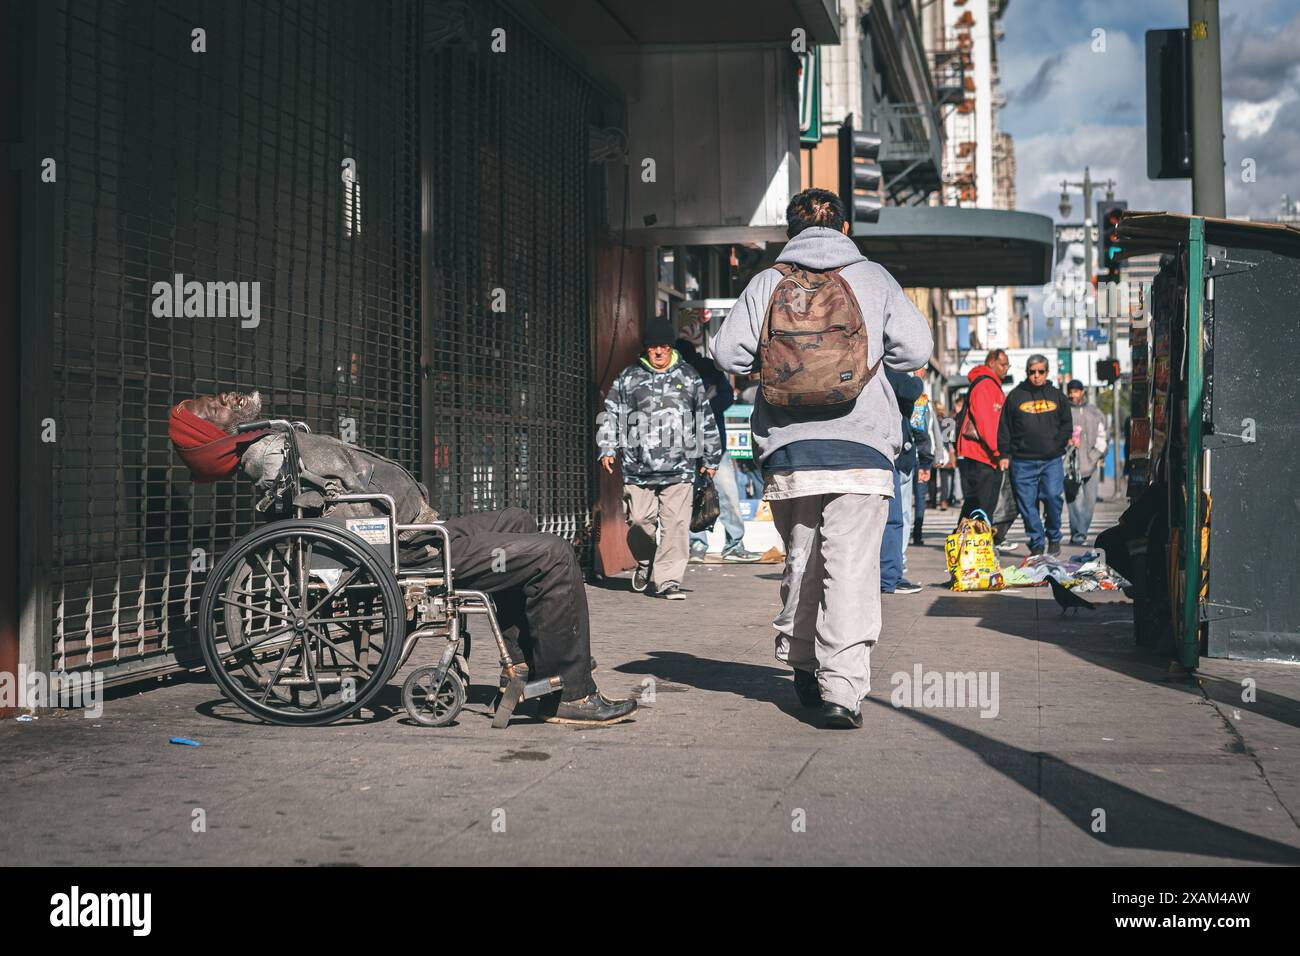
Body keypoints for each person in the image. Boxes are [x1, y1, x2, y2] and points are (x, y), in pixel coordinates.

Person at [169, 390, 637, 725]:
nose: (227, 398)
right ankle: (571, 693)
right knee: (553, 554)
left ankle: (532, 674)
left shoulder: (278, 442)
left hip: (415, 533)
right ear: (214, 436)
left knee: (517, 520)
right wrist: (405, 530)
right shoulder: (276, 458)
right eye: (215, 407)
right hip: (404, 549)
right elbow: (347, 517)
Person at [711, 188, 932, 729]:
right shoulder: (873, 278)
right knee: (851, 569)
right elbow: (917, 350)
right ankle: (842, 690)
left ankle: (804, 665)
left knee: (803, 562)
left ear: (790, 230)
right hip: (862, 449)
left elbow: (727, 353)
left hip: (789, 450)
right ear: (845, 227)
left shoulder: (768, 281)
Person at [598, 317, 722, 600]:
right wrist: (606, 447)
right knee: (640, 521)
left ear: (671, 348)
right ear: (645, 348)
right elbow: (611, 413)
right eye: (653, 346)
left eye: (664, 346)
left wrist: (711, 457)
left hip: (680, 468)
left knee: (676, 526)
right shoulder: (629, 377)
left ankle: (668, 581)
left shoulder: (688, 376)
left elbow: (703, 417)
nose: (658, 352)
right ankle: (646, 561)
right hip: (637, 466)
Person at [676, 338, 762, 563]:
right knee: (697, 495)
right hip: (687, 445)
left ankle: (732, 543)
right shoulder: (676, 375)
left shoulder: (708, 369)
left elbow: (725, 397)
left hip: (715, 444)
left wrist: (702, 408)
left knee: (725, 493)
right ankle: (698, 543)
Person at [996, 354, 1073, 555]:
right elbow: (1004, 427)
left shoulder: (1057, 396)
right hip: (1022, 462)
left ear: (1047, 373)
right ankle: (1037, 542)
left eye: (1040, 372)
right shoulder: (1015, 396)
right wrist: (1004, 453)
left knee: (1053, 497)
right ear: (1027, 373)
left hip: (1052, 460)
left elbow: (1067, 425)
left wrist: (1057, 445)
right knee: (1026, 504)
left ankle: (1054, 537)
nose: (1036, 376)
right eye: (1032, 372)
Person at [885, 367, 927, 592]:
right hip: (892, 456)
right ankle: (891, 573)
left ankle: (890, 570)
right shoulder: (889, 369)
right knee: (895, 518)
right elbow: (911, 390)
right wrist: (917, 379)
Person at [955, 349, 1009, 523]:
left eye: (1007, 365)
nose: (1006, 369)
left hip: (983, 454)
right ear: (991, 363)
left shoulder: (991, 384)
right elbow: (987, 423)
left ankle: (965, 539)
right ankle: (972, 540)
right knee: (981, 504)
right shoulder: (986, 385)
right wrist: (998, 451)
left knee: (975, 503)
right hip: (982, 454)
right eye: (1003, 364)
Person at [1066, 379, 1108, 546]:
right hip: (1069, 464)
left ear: (1082, 391)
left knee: (1089, 501)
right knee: (1072, 502)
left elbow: (1103, 436)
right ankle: (1077, 534)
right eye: (1070, 391)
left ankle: (1081, 532)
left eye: (1076, 391)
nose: (1072, 395)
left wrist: (1095, 456)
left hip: (1090, 463)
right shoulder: (1064, 411)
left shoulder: (1094, 412)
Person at [936, 402, 957, 510]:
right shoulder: (948, 421)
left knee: (934, 476)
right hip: (945, 451)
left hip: (934, 451)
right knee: (946, 477)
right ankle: (945, 500)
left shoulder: (931, 421)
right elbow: (950, 440)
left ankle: (935, 499)